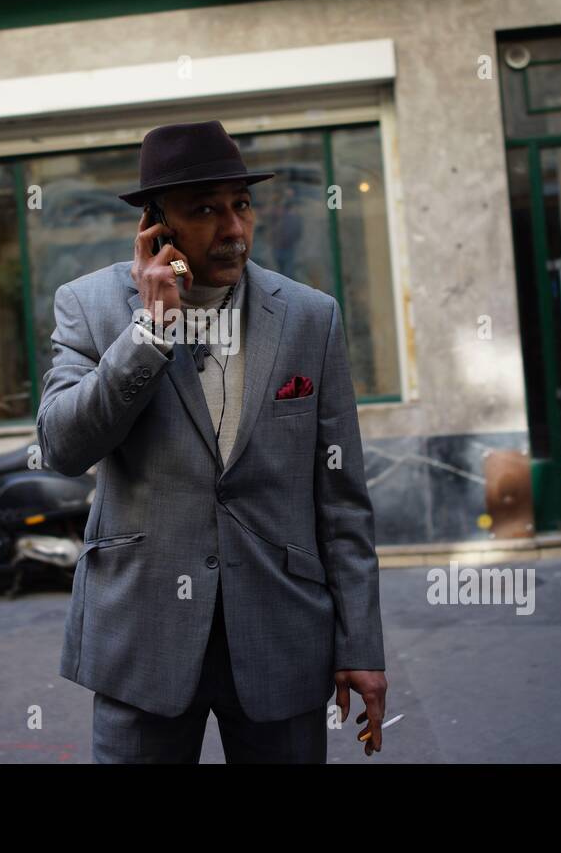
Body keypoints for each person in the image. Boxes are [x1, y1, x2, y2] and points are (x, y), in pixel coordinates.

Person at [37, 119, 387, 763]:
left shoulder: (311, 317)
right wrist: (149, 332)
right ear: (156, 225)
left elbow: (341, 499)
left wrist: (360, 644)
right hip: (142, 640)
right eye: (205, 210)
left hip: (282, 635)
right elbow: (62, 447)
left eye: (241, 205)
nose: (233, 229)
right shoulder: (91, 307)